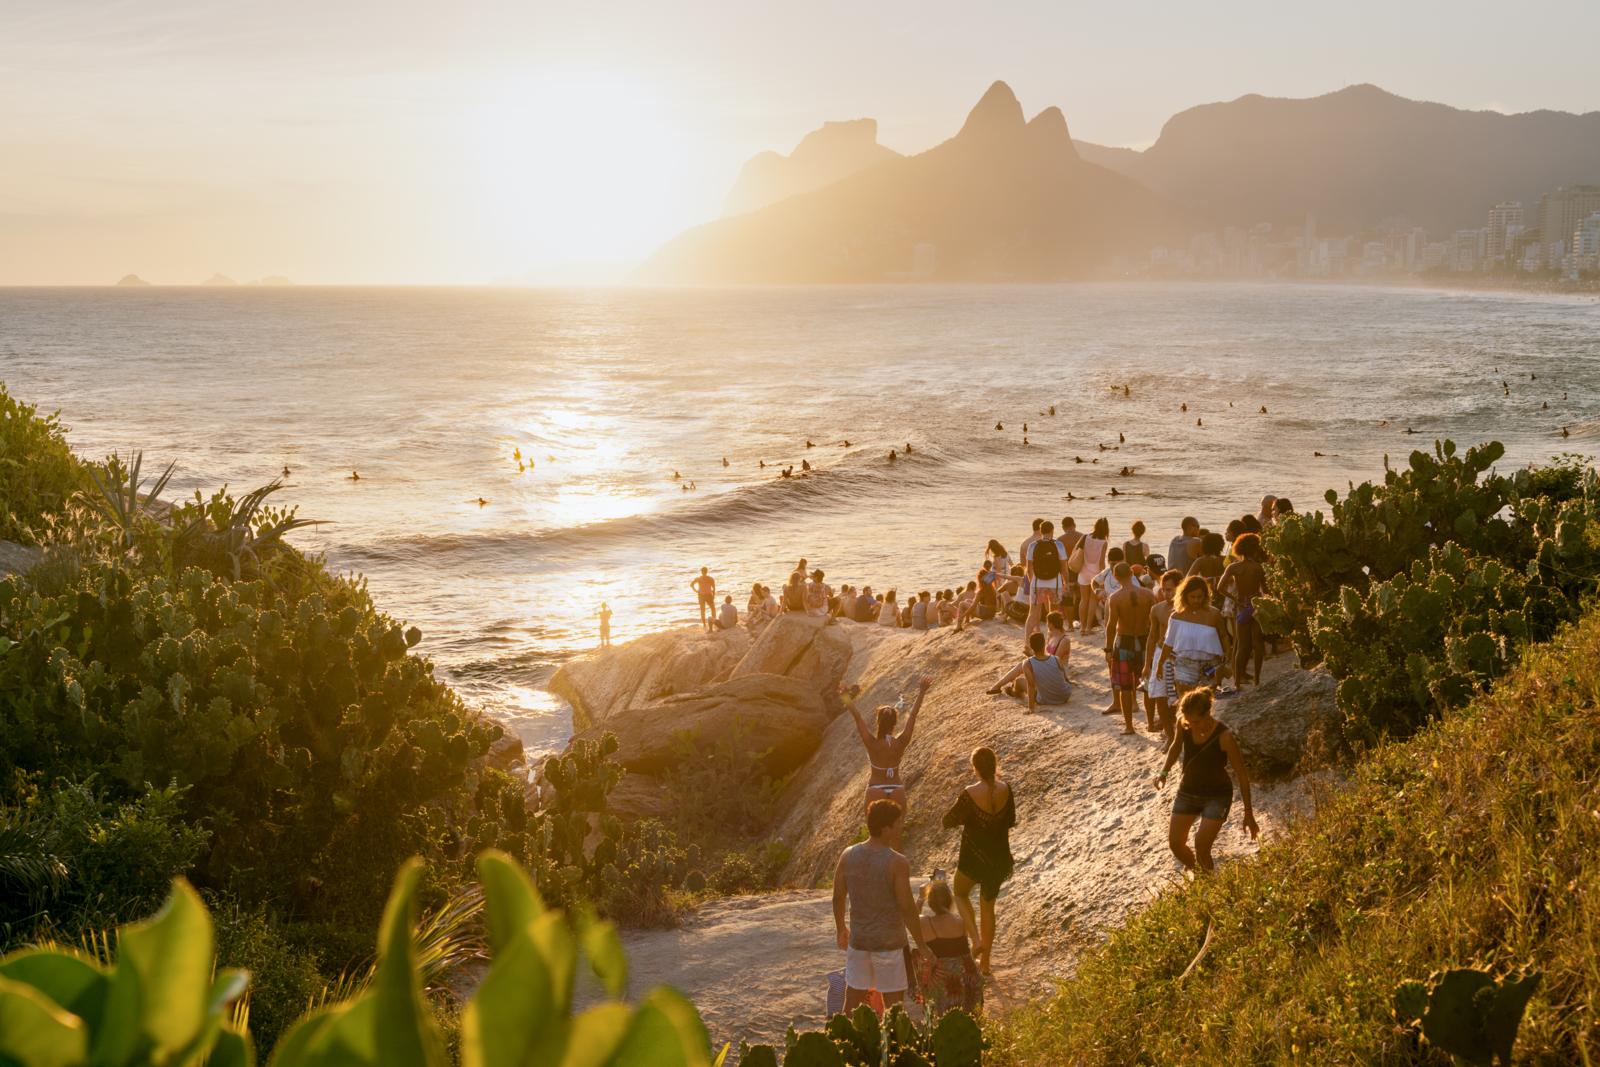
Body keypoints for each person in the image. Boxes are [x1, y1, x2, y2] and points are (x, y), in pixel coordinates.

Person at [832, 799, 930, 1013]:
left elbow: (838, 896)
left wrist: (841, 928)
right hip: (890, 944)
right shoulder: (897, 862)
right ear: (886, 828)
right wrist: (921, 945)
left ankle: (841, 1041)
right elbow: (907, 908)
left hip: (860, 942)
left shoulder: (848, 855)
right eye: (897, 823)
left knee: (852, 1000)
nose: (900, 826)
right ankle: (890, 1045)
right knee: (893, 1006)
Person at [1154, 689, 1259, 873]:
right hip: (1188, 790)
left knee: (1201, 845)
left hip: (1217, 796)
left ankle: (1208, 884)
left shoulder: (1224, 736)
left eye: (1196, 721)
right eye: (1188, 721)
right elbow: (1175, 746)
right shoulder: (1184, 723)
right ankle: (1199, 874)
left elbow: (1242, 775)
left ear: (1208, 714)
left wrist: (1248, 813)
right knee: (1176, 844)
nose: (1191, 726)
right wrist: (1163, 772)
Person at [942, 747, 1015, 975]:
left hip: (973, 858)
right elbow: (1011, 820)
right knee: (988, 907)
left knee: (960, 893)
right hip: (999, 857)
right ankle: (985, 964)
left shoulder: (969, 792)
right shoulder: (1006, 789)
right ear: (995, 764)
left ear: (975, 768)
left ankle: (975, 940)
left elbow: (948, 821)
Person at [843, 676, 931, 812]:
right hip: (896, 788)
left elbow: (857, 717)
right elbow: (913, 715)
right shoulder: (902, 741)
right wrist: (922, 691)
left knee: (874, 830)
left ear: (878, 722)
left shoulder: (872, 743)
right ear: (895, 722)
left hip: (876, 788)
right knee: (897, 828)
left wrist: (845, 697)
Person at [1103, 562, 1157, 735]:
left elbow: (1111, 626)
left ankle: (1129, 726)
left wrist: (1108, 649)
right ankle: (1150, 723)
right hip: (1144, 640)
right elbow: (1154, 622)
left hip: (1124, 642)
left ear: (1115, 576)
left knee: (1125, 687)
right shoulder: (1147, 594)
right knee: (1147, 685)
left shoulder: (1115, 598)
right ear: (1131, 574)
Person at [917, 878, 982, 1016]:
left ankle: (934, 1013)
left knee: (917, 956)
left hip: (942, 982)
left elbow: (912, 921)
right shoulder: (961, 921)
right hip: (966, 979)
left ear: (931, 903)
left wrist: (920, 898)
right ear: (950, 900)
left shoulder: (925, 922)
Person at [1160, 576, 1231, 701]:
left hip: (1210, 665)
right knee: (1186, 703)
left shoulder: (1214, 614)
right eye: (1192, 597)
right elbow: (1168, 643)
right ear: (1185, 596)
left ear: (1206, 596)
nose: (1196, 600)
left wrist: (1227, 652)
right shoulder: (1176, 616)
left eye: (1200, 597)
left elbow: (1224, 635)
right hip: (1184, 664)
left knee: (1205, 703)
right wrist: (1160, 664)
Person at [1216, 533, 1269, 687]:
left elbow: (1219, 588)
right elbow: (1266, 590)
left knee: (1242, 646)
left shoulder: (1234, 567)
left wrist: (1235, 599)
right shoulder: (1259, 568)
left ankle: (1237, 682)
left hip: (1242, 606)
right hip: (1256, 605)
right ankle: (1257, 680)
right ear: (1255, 549)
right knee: (1258, 644)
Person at [1143, 570, 1184, 742]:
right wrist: (1147, 663)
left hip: (1181, 655)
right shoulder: (1157, 609)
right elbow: (1152, 637)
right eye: (1164, 589)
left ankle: (1180, 734)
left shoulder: (1185, 610)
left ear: (1180, 587)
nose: (1167, 593)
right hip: (1161, 655)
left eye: (1170, 589)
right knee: (1160, 696)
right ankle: (1169, 735)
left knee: (1180, 697)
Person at [987, 631, 1072, 713]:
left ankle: (1014, 692)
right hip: (1065, 696)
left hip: (1046, 700)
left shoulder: (1027, 663)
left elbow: (1031, 686)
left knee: (1019, 681)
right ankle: (1010, 688)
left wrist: (1031, 708)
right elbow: (1065, 678)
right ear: (1044, 645)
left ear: (1031, 646)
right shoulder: (1056, 659)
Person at [1025, 520, 1067, 645]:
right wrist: (1066, 583)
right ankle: (1051, 641)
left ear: (1040, 531)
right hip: (1055, 583)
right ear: (1052, 531)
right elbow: (1064, 568)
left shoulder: (1033, 545)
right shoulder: (1058, 545)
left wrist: (1033, 582)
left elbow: (1029, 568)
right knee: (1053, 613)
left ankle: (1027, 643)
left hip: (1038, 582)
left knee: (1033, 614)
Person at [1075, 518, 1110, 634]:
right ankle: (1088, 628)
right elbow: (1101, 562)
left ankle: (1082, 627)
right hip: (1095, 574)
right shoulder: (1104, 543)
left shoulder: (1086, 537)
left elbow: (1077, 551)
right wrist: (1103, 577)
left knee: (1083, 599)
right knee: (1093, 601)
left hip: (1083, 572)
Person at [690, 567, 717, 633]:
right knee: (713, 609)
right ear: (707, 571)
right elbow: (714, 589)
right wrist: (713, 596)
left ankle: (704, 625)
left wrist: (696, 591)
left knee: (702, 610)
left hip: (701, 596)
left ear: (701, 572)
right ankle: (713, 623)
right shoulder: (711, 579)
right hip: (709, 595)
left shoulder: (699, 579)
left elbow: (691, 585)